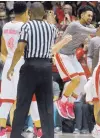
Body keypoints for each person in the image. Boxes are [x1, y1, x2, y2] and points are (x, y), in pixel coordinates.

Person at [6, 2, 72, 138]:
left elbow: (19, 49)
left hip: (30, 66)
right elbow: (50, 49)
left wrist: (12, 67)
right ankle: (48, 135)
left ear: (29, 13)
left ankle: (16, 135)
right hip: (46, 68)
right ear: (43, 14)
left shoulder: (27, 26)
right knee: (46, 105)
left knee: (23, 104)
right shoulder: (51, 28)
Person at [0, 2, 42, 138]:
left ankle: (1, 129)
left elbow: (3, 49)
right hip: (23, 63)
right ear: (26, 12)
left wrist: (9, 63)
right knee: (32, 98)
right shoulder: (26, 26)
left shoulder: (6, 25)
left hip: (8, 64)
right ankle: (39, 128)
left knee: (6, 100)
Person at [54, 5, 97, 119]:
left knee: (83, 81)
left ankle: (70, 103)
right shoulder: (75, 25)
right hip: (61, 54)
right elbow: (92, 31)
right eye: (88, 15)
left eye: (91, 16)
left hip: (71, 55)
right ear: (81, 15)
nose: (90, 18)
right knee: (75, 79)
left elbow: (93, 36)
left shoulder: (89, 26)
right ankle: (62, 102)